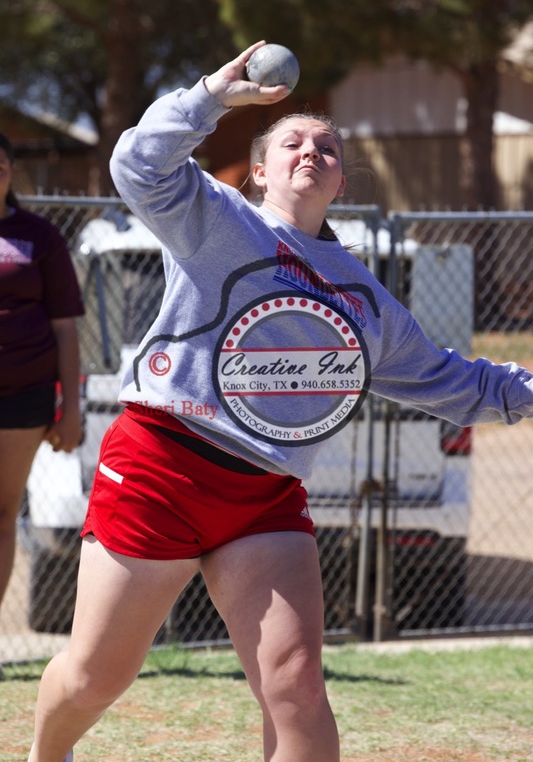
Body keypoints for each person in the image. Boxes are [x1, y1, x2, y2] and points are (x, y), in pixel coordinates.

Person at [28, 41, 533, 762]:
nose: (310, 151)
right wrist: (208, 95)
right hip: (158, 469)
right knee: (95, 677)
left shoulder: (363, 295)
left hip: (264, 494)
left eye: (326, 147)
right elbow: (138, 165)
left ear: (339, 180)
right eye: (290, 141)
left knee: (295, 686)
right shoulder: (219, 221)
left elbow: (459, 384)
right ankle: (46, 755)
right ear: (259, 169)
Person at [0, 133, 84, 629]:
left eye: (2, 165)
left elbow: (66, 327)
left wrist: (70, 410)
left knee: (3, 511)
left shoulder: (40, 236)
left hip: (24, 400)